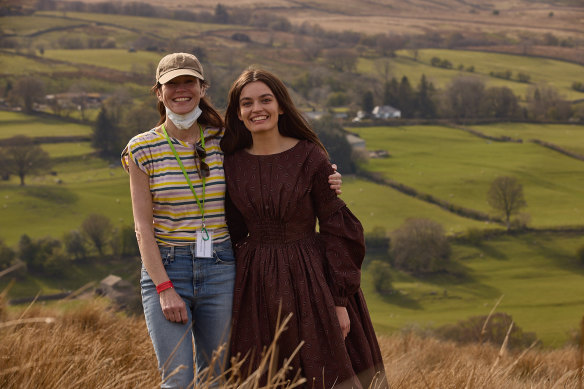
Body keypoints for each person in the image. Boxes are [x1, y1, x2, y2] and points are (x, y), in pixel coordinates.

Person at [121, 53, 342, 388]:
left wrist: (326, 178)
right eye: (172, 84)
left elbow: (272, 163)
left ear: (202, 88)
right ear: (158, 92)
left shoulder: (224, 141)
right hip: (167, 268)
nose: (181, 90)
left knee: (219, 378)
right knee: (177, 380)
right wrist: (164, 288)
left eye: (189, 82)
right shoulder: (141, 149)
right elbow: (142, 228)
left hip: (221, 267)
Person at [222, 67, 387, 388]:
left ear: (281, 106)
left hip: (309, 280)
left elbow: (337, 228)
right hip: (254, 283)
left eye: (265, 100)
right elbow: (232, 227)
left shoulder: (310, 156)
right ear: (238, 113)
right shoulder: (232, 163)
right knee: (262, 374)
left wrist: (339, 301)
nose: (257, 109)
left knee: (323, 372)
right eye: (247, 103)